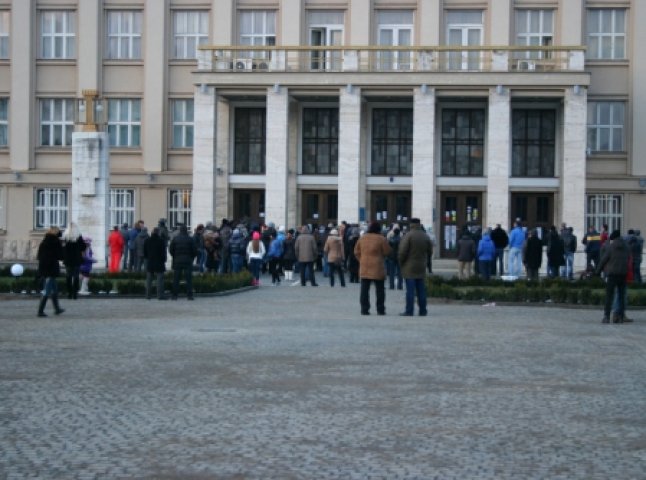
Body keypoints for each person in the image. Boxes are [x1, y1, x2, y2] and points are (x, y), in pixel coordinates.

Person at [354, 221, 391, 315]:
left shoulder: (362, 238)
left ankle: (364, 309)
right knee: (380, 290)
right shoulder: (381, 239)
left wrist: (361, 260)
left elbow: (356, 251)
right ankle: (380, 309)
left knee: (364, 290)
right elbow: (387, 252)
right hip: (377, 266)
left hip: (365, 266)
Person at [398, 218, 432, 316]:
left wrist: (401, 262)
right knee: (421, 290)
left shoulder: (408, 235)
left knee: (410, 291)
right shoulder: (425, 236)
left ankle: (409, 310)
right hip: (421, 266)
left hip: (409, 266)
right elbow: (430, 251)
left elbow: (402, 252)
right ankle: (423, 310)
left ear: (411, 224)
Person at [596, 230, 629, 323]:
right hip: (623, 274)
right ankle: (620, 317)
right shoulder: (626, 247)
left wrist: (597, 272)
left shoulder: (611, 247)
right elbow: (628, 259)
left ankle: (606, 316)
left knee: (609, 296)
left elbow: (603, 260)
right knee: (621, 297)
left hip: (612, 274)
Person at [37, 226, 65, 317]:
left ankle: (57, 309)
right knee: (47, 290)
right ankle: (40, 311)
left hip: (44, 268)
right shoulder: (56, 242)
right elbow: (60, 255)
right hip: (51, 269)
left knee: (54, 289)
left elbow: (39, 256)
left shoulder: (43, 242)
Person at [169, 224, 197, 300]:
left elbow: (171, 250)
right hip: (188, 261)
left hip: (177, 260)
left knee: (176, 279)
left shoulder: (175, 239)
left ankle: (174, 296)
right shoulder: (190, 239)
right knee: (188, 279)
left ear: (180, 230)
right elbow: (194, 250)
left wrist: (175, 256)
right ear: (186, 230)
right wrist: (191, 258)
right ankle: (189, 296)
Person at [62, 222, 86, 300]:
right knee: (76, 276)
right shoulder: (78, 236)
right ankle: (75, 293)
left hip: (68, 259)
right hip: (76, 258)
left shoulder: (65, 236)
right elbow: (83, 247)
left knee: (68, 276)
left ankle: (69, 293)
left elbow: (63, 247)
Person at [144, 227, 167, 300]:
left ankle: (148, 295)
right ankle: (160, 296)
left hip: (150, 262)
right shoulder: (161, 241)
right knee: (160, 280)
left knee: (149, 280)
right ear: (158, 233)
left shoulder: (147, 240)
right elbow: (164, 252)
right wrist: (164, 260)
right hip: (159, 262)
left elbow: (145, 252)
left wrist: (148, 258)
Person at [386, 226, 403, 290]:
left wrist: (388, 255)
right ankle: (400, 286)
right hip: (399, 257)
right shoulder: (401, 240)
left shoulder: (390, 240)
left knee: (391, 273)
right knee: (400, 273)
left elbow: (388, 249)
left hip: (391, 257)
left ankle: (391, 285)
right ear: (399, 233)